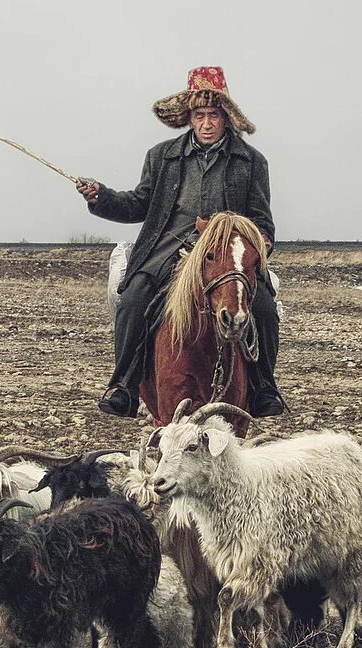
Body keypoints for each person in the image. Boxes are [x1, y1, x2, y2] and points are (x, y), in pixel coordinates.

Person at [76, 66, 284, 418]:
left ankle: (264, 388)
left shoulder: (252, 162)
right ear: (189, 118)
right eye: (199, 115)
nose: (206, 123)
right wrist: (102, 197)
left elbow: (262, 221)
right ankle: (124, 386)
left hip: (225, 254)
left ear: (226, 118)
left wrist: (254, 248)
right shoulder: (161, 157)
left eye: (214, 115)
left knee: (263, 307)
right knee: (133, 300)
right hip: (167, 249)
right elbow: (138, 204)